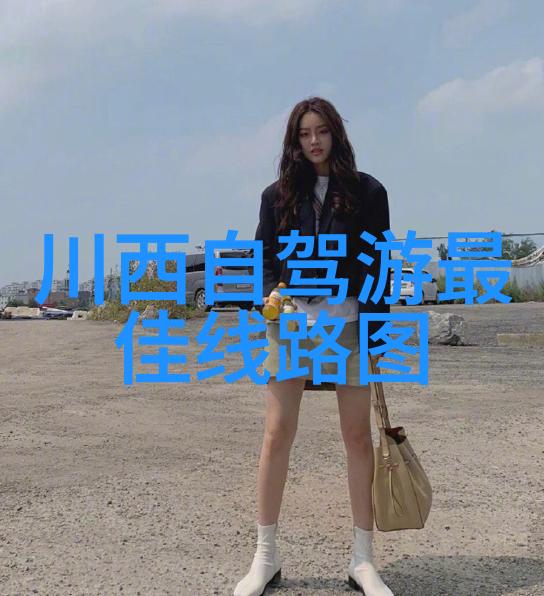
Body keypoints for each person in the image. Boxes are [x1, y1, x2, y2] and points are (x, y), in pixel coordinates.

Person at [233, 97, 394, 596]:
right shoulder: (277, 195)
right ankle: (265, 557)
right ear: (294, 142)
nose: (314, 141)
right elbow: (262, 256)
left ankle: (362, 560)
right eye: (304, 134)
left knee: (357, 437)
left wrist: (376, 333)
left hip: (348, 324)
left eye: (322, 131)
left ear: (336, 134)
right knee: (277, 433)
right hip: (291, 325)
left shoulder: (368, 192)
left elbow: (379, 262)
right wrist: (268, 293)